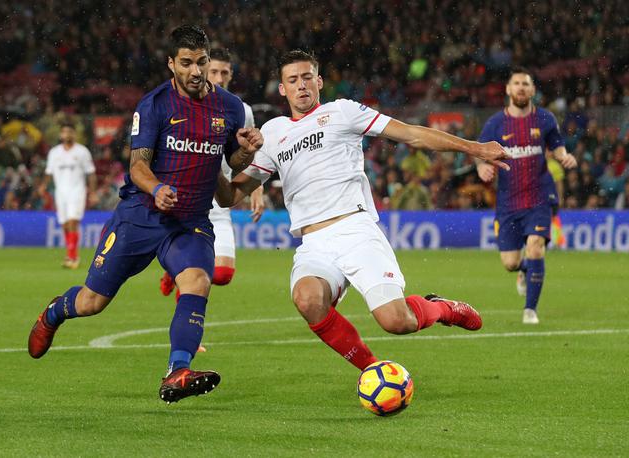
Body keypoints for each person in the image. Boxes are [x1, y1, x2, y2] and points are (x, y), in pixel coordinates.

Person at [215, 50, 510, 373]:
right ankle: (374, 370)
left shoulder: (343, 112)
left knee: (397, 321)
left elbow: (412, 134)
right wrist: (214, 158)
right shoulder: (271, 133)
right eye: (293, 80)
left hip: (355, 230)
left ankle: (442, 308)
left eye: (307, 78)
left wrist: (475, 148)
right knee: (308, 299)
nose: (301, 86)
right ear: (282, 89)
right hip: (313, 243)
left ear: (320, 81)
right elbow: (229, 196)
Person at [28, 25, 263, 404]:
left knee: (199, 280)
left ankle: (177, 370)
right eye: (186, 63)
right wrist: (156, 189)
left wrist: (246, 152)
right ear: (171, 63)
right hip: (141, 216)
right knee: (92, 302)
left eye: (201, 62)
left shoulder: (230, 107)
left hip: (189, 222)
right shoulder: (154, 105)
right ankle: (55, 312)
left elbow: (230, 164)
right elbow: (138, 166)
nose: (196, 71)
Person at [160, 48, 265, 303]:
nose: (219, 77)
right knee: (197, 274)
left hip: (219, 202)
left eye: (225, 72)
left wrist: (257, 190)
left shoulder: (240, 109)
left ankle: (174, 273)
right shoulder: (183, 104)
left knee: (223, 273)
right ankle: (189, 335)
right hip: (188, 199)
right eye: (214, 71)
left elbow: (251, 152)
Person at [477, 67, 577, 324]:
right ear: (508, 90)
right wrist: (483, 167)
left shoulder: (545, 119)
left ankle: (530, 309)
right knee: (510, 263)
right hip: (508, 202)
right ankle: (523, 271)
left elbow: (556, 145)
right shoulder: (495, 124)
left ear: (532, 90)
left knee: (535, 247)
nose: (521, 87)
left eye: (526, 84)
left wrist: (564, 156)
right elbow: (480, 154)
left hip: (539, 198)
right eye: (516, 83)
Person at [44, 122, 96, 268]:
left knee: (73, 222)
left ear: (74, 134)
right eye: (64, 132)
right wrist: (43, 186)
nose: (67, 135)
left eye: (70, 132)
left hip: (77, 190)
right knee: (65, 225)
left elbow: (91, 173)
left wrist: (92, 192)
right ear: (61, 135)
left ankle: (72, 257)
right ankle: (71, 255)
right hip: (60, 192)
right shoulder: (54, 153)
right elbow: (49, 172)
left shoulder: (82, 152)